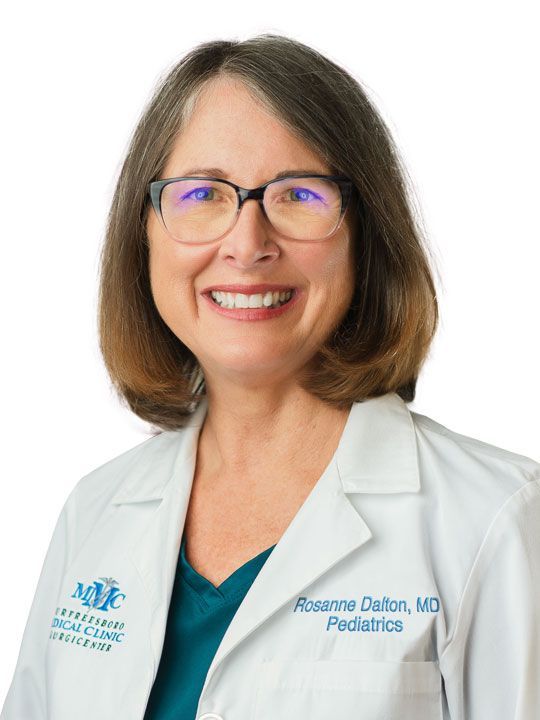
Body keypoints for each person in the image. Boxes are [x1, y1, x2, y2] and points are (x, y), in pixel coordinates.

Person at [1, 33, 539, 720]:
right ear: (145, 233)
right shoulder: (96, 512)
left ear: (364, 235)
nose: (248, 244)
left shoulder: (492, 519)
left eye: (299, 196)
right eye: (202, 193)